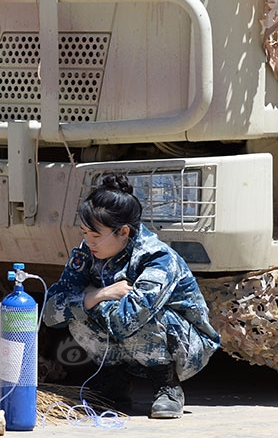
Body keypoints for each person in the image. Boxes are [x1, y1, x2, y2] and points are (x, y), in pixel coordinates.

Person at [42, 173, 220, 419]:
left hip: (184, 345)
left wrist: (86, 299)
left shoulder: (156, 258)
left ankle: (167, 386)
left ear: (123, 231)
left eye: (95, 235)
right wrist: (99, 294)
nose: (88, 242)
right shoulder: (87, 253)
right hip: (126, 337)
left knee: (143, 315)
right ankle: (115, 383)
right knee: (77, 315)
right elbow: (50, 312)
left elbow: (127, 320)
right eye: (84, 233)